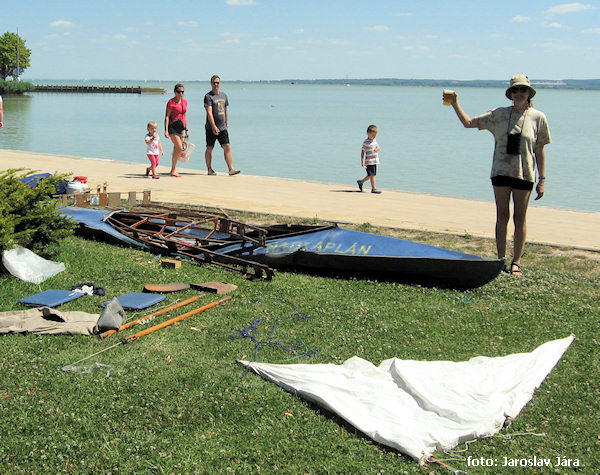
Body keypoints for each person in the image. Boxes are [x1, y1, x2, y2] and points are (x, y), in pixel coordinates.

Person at [446, 74, 551, 276]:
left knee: (520, 218)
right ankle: (500, 259)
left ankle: (516, 262)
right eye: (515, 90)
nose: (519, 93)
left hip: (525, 174)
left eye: (523, 90)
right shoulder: (498, 114)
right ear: (510, 94)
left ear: (529, 93)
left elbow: (540, 149)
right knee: (502, 216)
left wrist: (542, 179)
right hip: (500, 173)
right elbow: (468, 123)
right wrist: (455, 104)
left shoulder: (538, 117)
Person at [204, 75, 240, 176]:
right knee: (209, 148)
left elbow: (225, 110)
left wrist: (226, 123)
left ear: (220, 83)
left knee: (227, 147)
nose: (216, 84)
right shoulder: (208, 96)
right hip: (210, 128)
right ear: (211, 84)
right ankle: (209, 169)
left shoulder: (224, 95)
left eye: (217, 82)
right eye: (214, 82)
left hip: (222, 127)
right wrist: (213, 126)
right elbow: (209, 112)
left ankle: (231, 169)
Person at [164, 83, 188, 177]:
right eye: (179, 92)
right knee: (179, 147)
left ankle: (173, 169)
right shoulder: (171, 102)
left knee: (177, 149)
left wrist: (187, 129)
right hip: (172, 127)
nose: (181, 94)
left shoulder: (185, 102)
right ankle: (173, 170)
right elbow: (167, 116)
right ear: (175, 92)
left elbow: (184, 116)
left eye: (182, 92)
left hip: (181, 127)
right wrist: (166, 130)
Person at [357, 124, 382, 193]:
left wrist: (378, 149)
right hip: (369, 161)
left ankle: (361, 182)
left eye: (375, 135)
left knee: (371, 175)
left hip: (375, 160)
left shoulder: (375, 140)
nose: (374, 136)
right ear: (368, 133)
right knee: (372, 175)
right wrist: (362, 161)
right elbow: (363, 151)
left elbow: (378, 147)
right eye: (373, 135)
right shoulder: (366, 142)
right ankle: (373, 189)